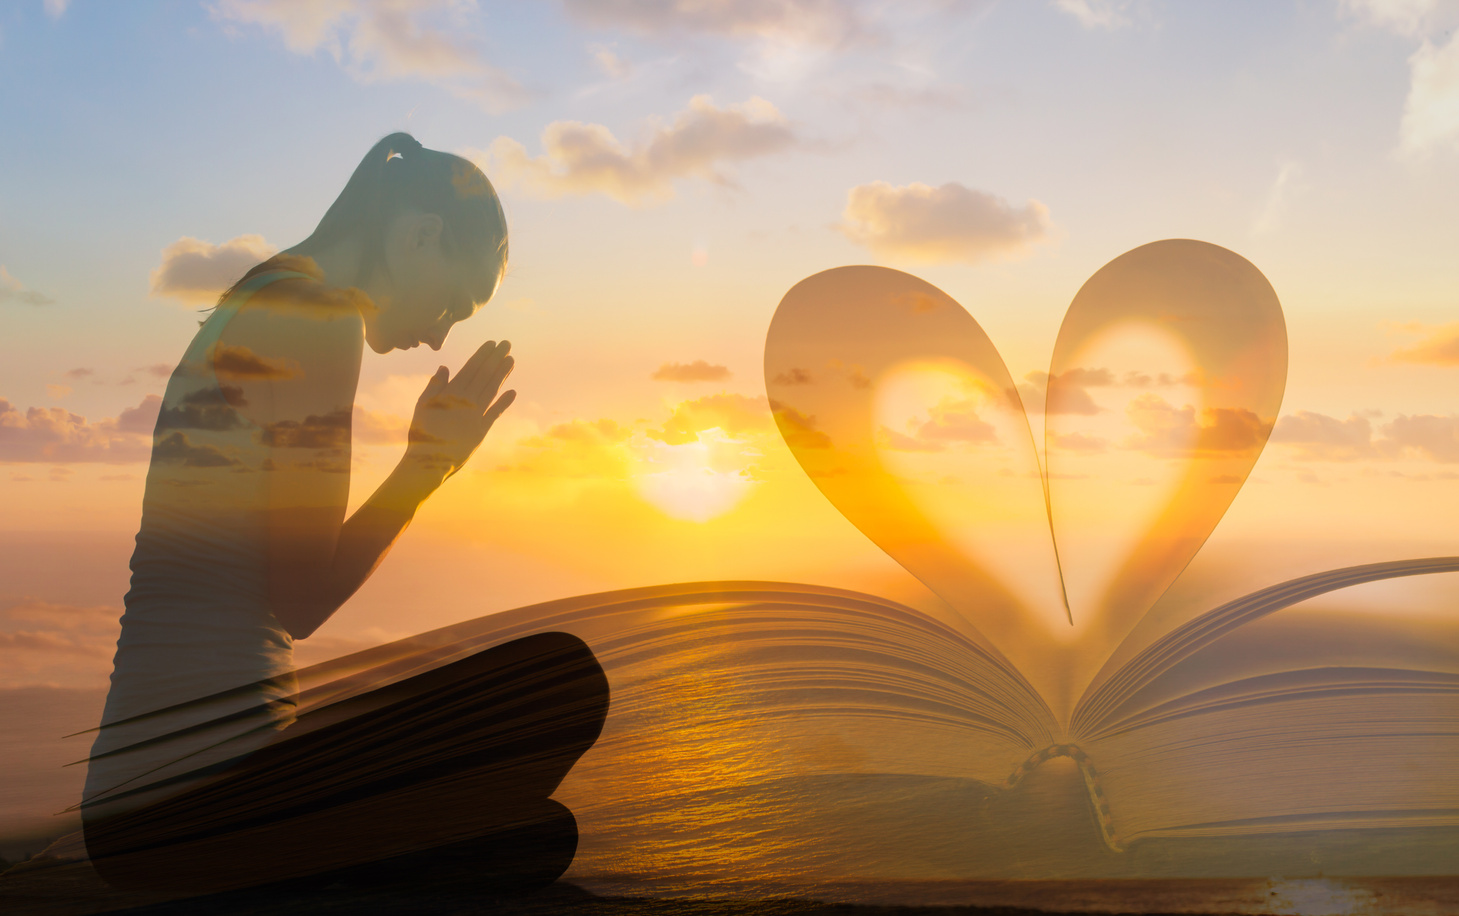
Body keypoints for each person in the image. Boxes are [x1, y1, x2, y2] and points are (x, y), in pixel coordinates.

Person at [80, 132, 609, 896]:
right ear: (418, 234)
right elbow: (302, 602)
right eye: (452, 302)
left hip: (143, 810)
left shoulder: (263, 297)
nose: (439, 332)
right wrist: (426, 466)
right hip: (191, 812)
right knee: (559, 681)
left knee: (533, 837)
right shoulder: (313, 316)